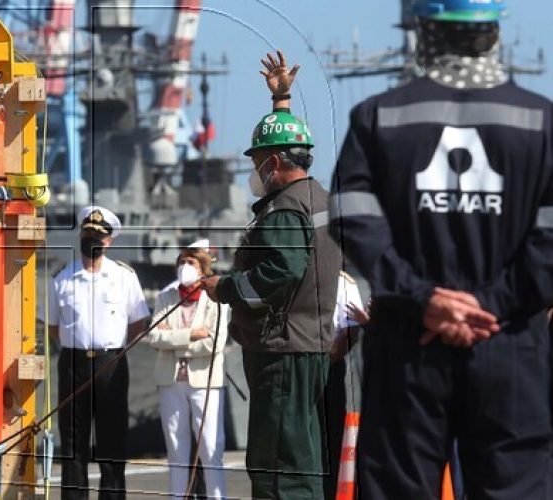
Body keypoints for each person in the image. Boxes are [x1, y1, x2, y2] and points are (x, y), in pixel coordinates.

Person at [328, 1, 553, 497]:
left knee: (398, 486)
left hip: (409, 344)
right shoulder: (542, 121)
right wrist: (492, 305)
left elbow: (349, 218)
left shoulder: (378, 117)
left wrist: (424, 299)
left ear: (425, 32)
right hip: (508, 342)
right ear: (494, 33)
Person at [202, 51, 341, 500]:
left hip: (281, 353)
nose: (255, 169)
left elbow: (284, 267)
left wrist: (224, 287)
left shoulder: (283, 209)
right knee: (303, 455)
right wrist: (281, 100)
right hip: (310, 344)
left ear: (275, 162)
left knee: (279, 465)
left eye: (260, 159)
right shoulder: (319, 199)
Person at [40, 205, 151, 499]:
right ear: (80, 235)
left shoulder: (124, 277)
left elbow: (139, 321)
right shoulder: (61, 278)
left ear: (109, 241)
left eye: (99, 236)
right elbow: (52, 325)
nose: (93, 240)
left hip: (111, 362)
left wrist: (112, 347)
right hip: (73, 364)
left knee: (112, 442)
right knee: (74, 444)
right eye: (88, 233)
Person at [146, 240, 229, 498]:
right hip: (171, 381)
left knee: (211, 447)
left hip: (204, 382)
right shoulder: (165, 297)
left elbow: (215, 342)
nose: (184, 267)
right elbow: (154, 337)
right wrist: (192, 334)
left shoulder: (217, 301)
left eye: (190, 262)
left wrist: (174, 340)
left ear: (203, 269)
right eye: (181, 262)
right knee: (176, 449)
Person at [324, 271, 367, 500]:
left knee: (332, 439)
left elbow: (351, 329)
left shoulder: (342, 281)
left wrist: (329, 359)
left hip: (329, 366)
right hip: (297, 366)